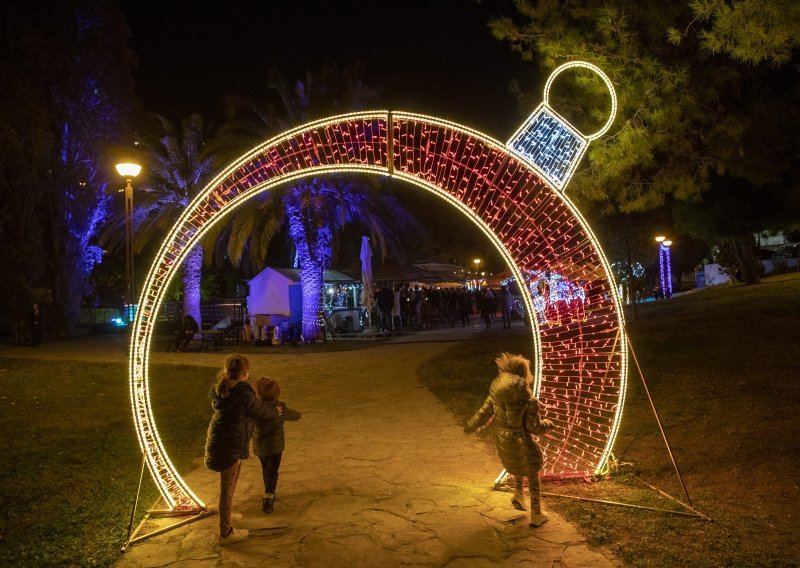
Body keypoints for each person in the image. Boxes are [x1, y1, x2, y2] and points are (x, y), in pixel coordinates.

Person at [463, 352, 554, 527]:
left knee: (517, 465)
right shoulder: (527, 398)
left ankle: (519, 496)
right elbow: (533, 427)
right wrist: (547, 424)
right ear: (523, 373)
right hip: (520, 438)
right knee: (533, 471)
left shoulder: (496, 390)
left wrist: (472, 425)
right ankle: (536, 514)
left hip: (503, 439)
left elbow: (484, 412)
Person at [204, 354, 285, 545]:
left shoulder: (221, 389)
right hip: (230, 445)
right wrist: (277, 409)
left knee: (228, 485)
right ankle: (226, 533)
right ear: (245, 373)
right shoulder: (244, 394)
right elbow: (262, 411)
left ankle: (228, 515)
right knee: (227, 489)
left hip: (219, 439)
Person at [253, 377, 301, 514]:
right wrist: (297, 415)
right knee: (272, 471)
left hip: (260, 446)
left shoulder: (256, 408)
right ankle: (268, 497)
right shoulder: (280, 407)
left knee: (265, 468)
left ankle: (267, 490)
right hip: (275, 447)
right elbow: (294, 415)